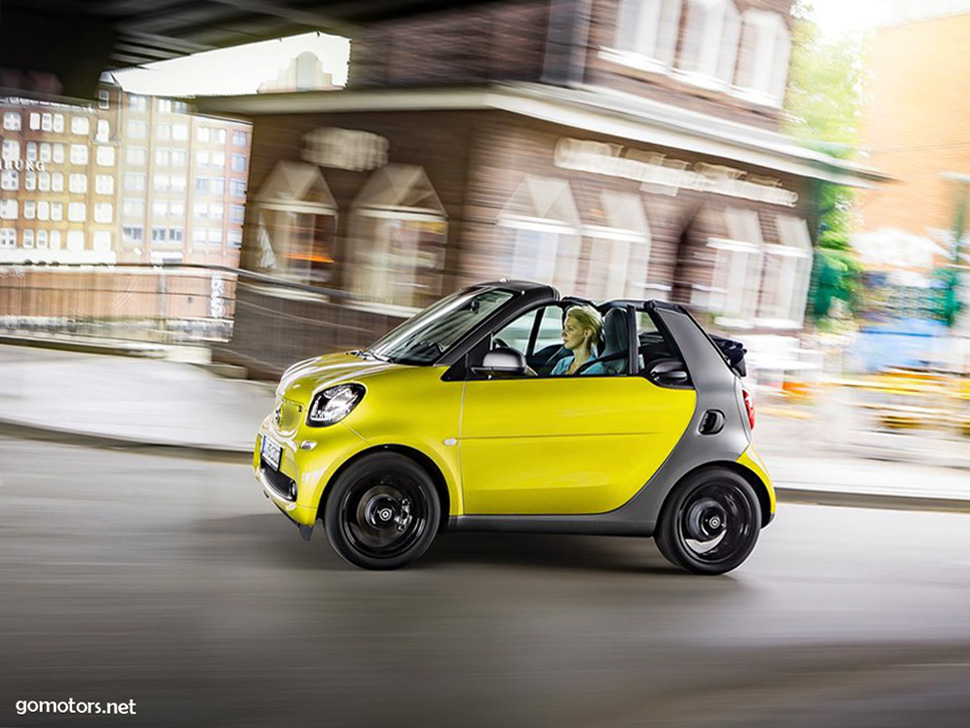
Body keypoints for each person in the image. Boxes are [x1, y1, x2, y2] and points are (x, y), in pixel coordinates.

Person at [550, 305, 604, 376]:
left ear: (587, 333)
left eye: (570, 329)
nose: (563, 333)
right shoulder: (562, 363)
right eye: (564, 328)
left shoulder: (596, 369)